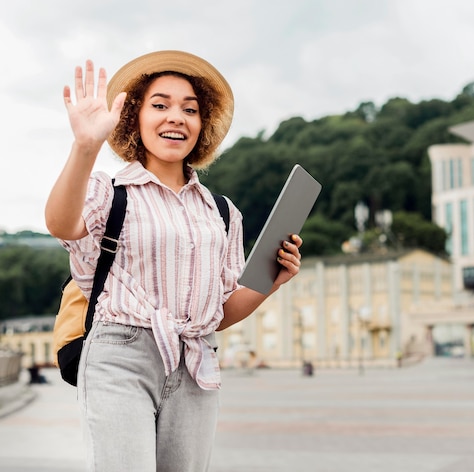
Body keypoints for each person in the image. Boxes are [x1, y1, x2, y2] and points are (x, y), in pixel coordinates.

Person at [45, 50, 303, 472]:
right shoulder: (109, 192)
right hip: (120, 356)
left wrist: (271, 281)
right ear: (135, 118)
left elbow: (217, 312)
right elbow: (60, 222)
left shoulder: (221, 212)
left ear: (202, 126)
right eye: (160, 105)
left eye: (190, 109)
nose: (176, 117)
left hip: (195, 362)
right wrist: (84, 147)